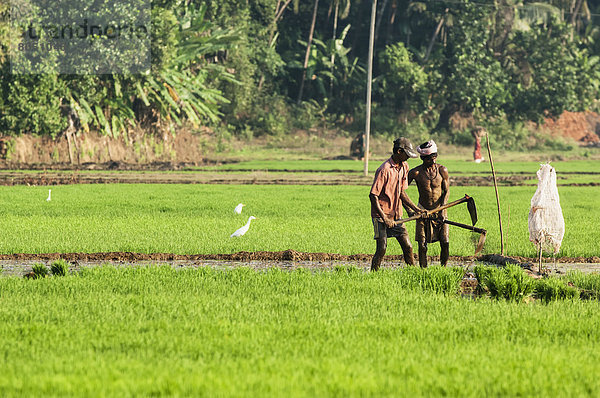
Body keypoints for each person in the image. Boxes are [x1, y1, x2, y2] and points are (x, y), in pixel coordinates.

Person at [369, 137, 423, 271]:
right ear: (399, 152)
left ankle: (413, 272)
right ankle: (373, 274)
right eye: (407, 154)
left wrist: (416, 209)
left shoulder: (404, 166)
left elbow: (401, 193)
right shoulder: (384, 169)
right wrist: (385, 218)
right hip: (380, 216)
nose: (408, 157)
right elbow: (373, 195)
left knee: (408, 246)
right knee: (382, 248)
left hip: (397, 214)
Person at [408, 140, 450, 267]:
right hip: (422, 211)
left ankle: (444, 267)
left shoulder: (442, 170)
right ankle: (423, 270)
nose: (432, 162)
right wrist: (411, 210)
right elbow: (401, 190)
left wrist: (442, 209)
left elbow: (446, 191)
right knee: (422, 244)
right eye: (428, 159)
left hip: (440, 209)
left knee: (445, 241)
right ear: (422, 158)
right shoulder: (415, 173)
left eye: (434, 158)